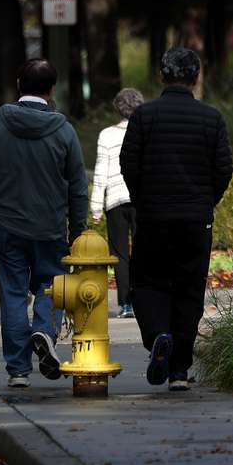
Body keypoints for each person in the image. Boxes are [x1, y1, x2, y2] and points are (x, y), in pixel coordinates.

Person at [0, 59, 89, 390]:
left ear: (19, 84)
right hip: (50, 227)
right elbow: (78, 186)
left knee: (12, 293)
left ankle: (18, 370)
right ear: (52, 90)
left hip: (7, 226)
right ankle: (44, 330)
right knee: (52, 285)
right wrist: (78, 231)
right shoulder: (64, 131)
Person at [120, 47, 232, 392]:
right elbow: (223, 169)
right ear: (196, 78)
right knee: (189, 289)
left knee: (147, 283)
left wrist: (143, 201)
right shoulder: (212, 118)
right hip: (196, 220)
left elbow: (129, 164)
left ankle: (157, 336)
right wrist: (204, 202)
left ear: (161, 76)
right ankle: (180, 370)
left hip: (154, 218)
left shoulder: (143, 117)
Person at [91, 87, 144, 319]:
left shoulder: (106, 135)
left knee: (119, 254)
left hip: (114, 200)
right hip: (142, 200)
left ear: (117, 108)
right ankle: (143, 300)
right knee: (144, 251)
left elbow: (100, 172)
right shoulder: (146, 131)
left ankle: (125, 304)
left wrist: (95, 206)